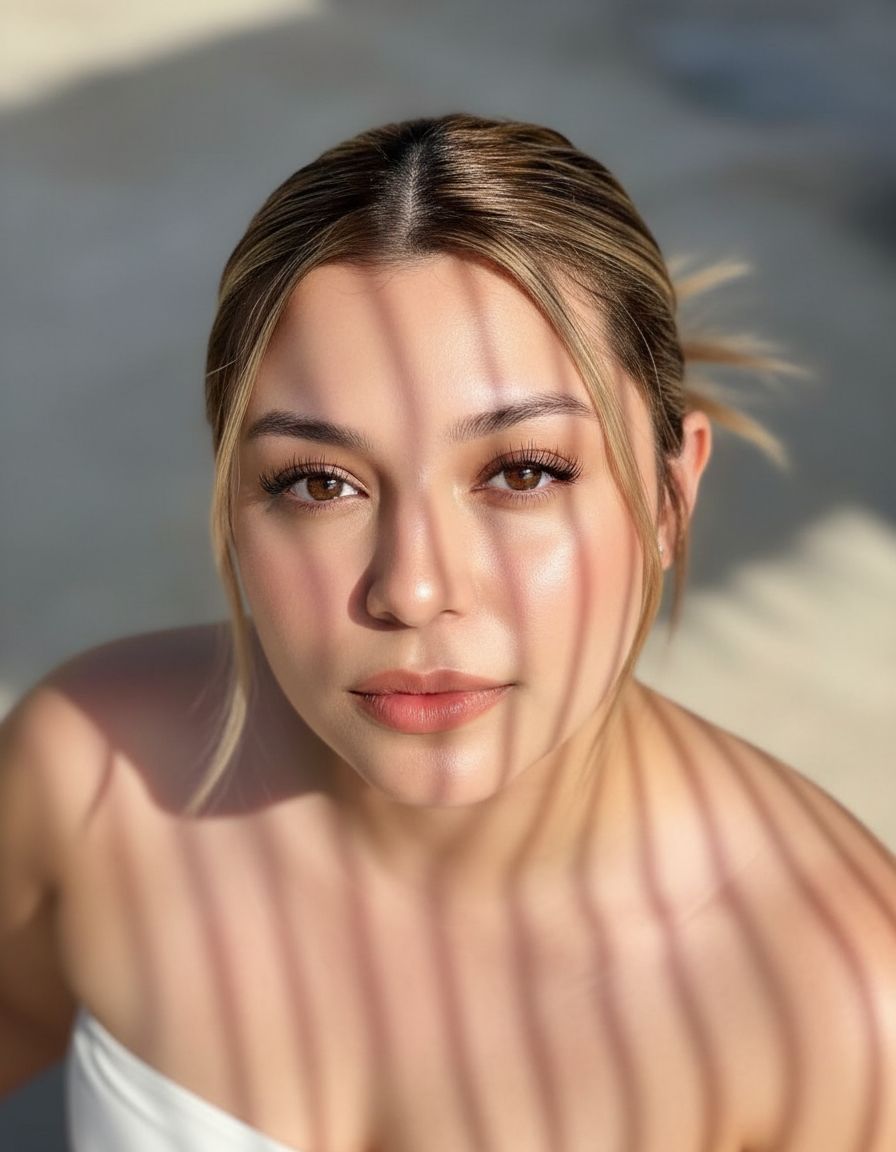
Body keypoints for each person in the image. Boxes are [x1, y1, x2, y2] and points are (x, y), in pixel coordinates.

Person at [1, 112, 894, 1152]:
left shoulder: (840, 1003)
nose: (413, 589)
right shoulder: (92, 772)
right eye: (317, 482)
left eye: (520, 472)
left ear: (667, 495)